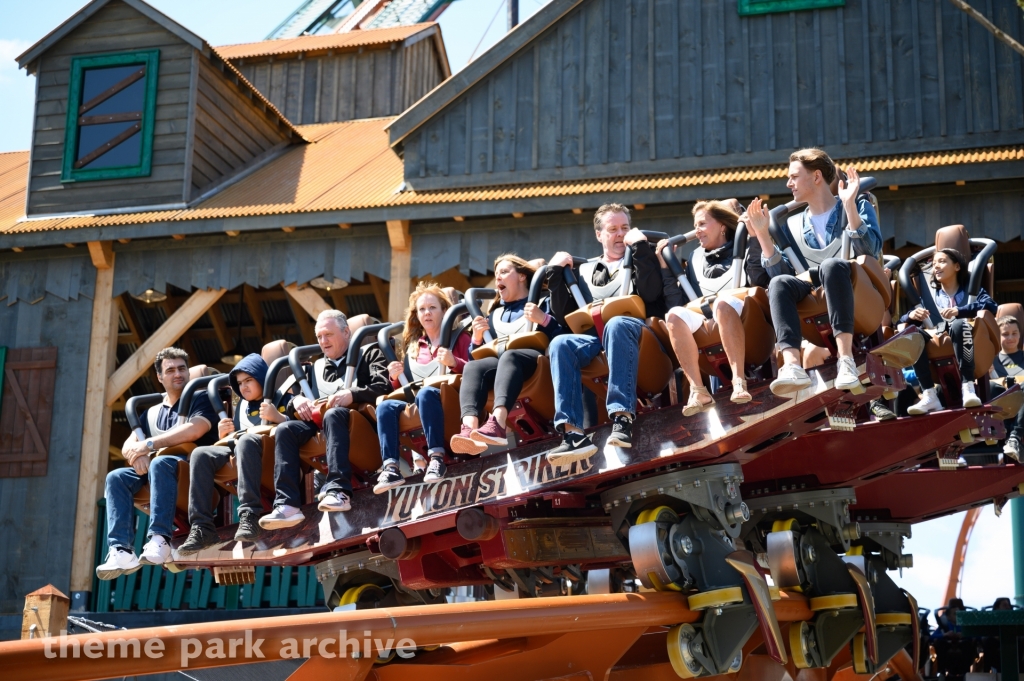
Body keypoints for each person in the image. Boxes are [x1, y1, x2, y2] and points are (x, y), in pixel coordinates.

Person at [543, 203, 668, 464]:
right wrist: (555, 274)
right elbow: (565, 316)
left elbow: (651, 294)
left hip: (636, 332)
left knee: (616, 324)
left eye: (625, 228)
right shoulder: (586, 270)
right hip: (596, 337)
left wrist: (641, 249)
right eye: (613, 229)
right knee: (560, 343)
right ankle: (572, 433)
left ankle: (622, 417)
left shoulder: (639, 257)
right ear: (599, 235)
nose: (620, 234)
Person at [761, 148, 882, 396]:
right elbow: (781, 274)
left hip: (858, 290)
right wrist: (763, 236)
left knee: (831, 265)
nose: (788, 183)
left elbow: (871, 250)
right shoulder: (793, 224)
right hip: (816, 292)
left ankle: (846, 360)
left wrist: (849, 207)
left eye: (794, 176)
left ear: (816, 177)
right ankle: (793, 365)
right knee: (779, 284)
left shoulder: (858, 203)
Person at [96, 347, 218, 579]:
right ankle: (121, 549)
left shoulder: (201, 399)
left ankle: (160, 538)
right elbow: (128, 444)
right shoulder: (152, 413)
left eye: (182, 368)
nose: (177, 374)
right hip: (161, 472)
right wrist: (137, 453)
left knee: (159, 464)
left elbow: (195, 429)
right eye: (170, 370)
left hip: (194, 475)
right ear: (160, 377)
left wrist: (149, 446)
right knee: (116, 477)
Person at [260, 310, 390, 529]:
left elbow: (383, 386)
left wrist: (354, 394)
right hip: (323, 425)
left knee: (333, 414)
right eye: (319, 337)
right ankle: (287, 504)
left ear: (346, 332)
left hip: (362, 427)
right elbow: (298, 407)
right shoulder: (316, 367)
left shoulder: (370, 353)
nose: (323, 341)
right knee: (285, 430)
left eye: (328, 334)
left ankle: (339, 490)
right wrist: (297, 402)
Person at [657, 198, 786, 415]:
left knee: (722, 303)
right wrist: (665, 267)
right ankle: (698, 390)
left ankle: (738, 380)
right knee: (673, 315)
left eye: (702, 224)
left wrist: (754, 238)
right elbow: (681, 305)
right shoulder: (695, 258)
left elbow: (757, 279)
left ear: (722, 226)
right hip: (710, 324)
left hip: (746, 318)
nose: (696, 230)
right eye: (695, 225)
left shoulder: (744, 244)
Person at [449, 255, 564, 455]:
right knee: (472, 367)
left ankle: (498, 422)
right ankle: (469, 428)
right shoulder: (494, 315)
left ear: (521, 276)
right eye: (496, 275)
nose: (498, 279)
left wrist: (544, 319)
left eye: (504, 272)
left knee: (510, 356)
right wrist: (476, 339)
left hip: (535, 364)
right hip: (506, 365)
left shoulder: (543, 302)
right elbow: (476, 358)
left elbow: (564, 338)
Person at [178, 353, 291, 553]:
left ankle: (249, 516)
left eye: (249, 380)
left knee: (246, 441)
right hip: (246, 452)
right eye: (239, 383)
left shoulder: (284, 398)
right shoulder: (242, 408)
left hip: (275, 461)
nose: (243, 387)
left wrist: (279, 417)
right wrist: (223, 436)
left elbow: (300, 431)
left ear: (262, 378)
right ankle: (202, 526)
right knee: (200, 454)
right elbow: (234, 442)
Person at [373, 283, 473, 492]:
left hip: (451, 402)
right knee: (385, 406)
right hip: (421, 400)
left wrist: (455, 362)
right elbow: (407, 387)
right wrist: (395, 377)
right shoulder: (414, 348)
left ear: (445, 311)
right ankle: (390, 467)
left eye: (432, 308)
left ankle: (436, 457)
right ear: (417, 316)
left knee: (427, 393)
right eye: (422, 309)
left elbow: (476, 373)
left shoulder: (460, 338)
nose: (427, 313)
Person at [901, 248, 996, 415]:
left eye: (942, 261)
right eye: (934, 264)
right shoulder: (931, 296)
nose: (936, 266)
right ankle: (929, 394)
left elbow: (990, 306)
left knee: (959, 324)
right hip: (936, 335)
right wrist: (911, 314)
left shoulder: (970, 290)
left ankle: (968, 388)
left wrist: (960, 311)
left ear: (957, 267)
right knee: (911, 333)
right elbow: (900, 320)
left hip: (967, 337)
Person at [989, 315, 1023, 459]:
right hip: (1001, 409)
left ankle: (1015, 437)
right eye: (1005, 334)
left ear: (1020, 334)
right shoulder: (990, 360)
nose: (1010, 338)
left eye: (1014, 333)